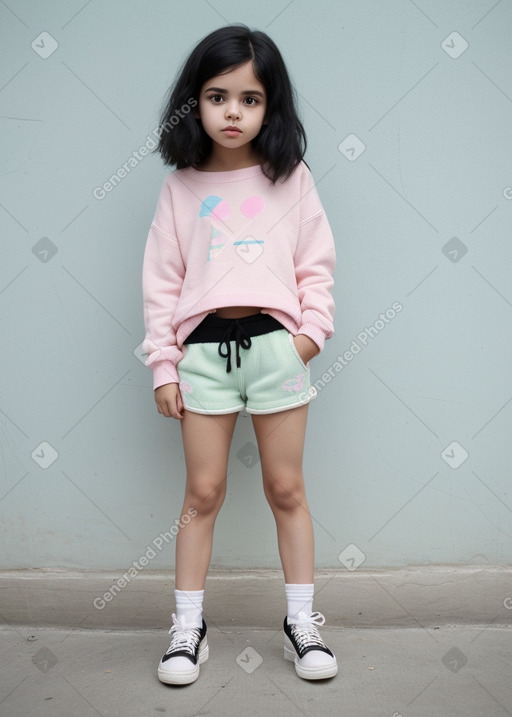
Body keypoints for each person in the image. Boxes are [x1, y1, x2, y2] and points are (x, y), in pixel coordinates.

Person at [142, 24, 337, 685]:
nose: (233, 112)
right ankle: (187, 629)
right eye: (217, 95)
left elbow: (317, 266)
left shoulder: (292, 179)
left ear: (270, 105)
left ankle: (303, 621)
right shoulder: (179, 188)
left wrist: (307, 337)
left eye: (250, 99)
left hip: (277, 350)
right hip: (202, 355)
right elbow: (161, 282)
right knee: (202, 491)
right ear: (193, 103)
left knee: (286, 487)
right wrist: (164, 365)